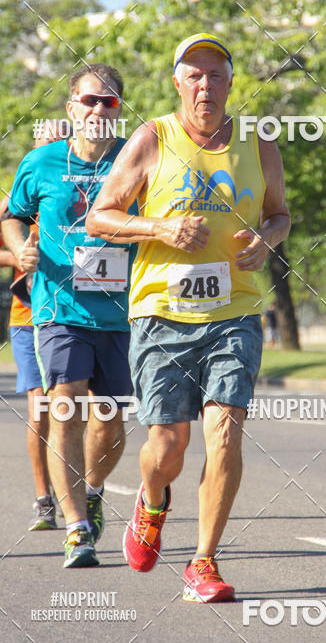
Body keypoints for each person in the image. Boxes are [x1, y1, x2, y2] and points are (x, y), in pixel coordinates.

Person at [86, 33, 291, 602]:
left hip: (237, 309)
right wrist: (159, 227)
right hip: (162, 313)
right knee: (168, 444)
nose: (205, 85)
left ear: (230, 82)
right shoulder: (153, 139)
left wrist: (267, 240)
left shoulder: (259, 142)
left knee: (225, 432)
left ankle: (203, 561)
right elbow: (101, 218)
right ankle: (151, 501)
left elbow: (280, 216)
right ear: (177, 81)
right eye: (194, 75)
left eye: (216, 74)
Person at [1, 64, 136, 568]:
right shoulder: (40, 162)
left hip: (122, 312)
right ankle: (77, 529)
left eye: (109, 102)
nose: (98, 109)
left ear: (119, 110)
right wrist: (20, 250)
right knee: (65, 403)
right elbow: (13, 217)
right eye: (89, 100)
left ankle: (94, 489)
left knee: (111, 419)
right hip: (59, 307)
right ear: (70, 107)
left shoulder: (136, 158)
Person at [0, 128, 65, 532]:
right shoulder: (18, 195)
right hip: (28, 316)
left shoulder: (84, 186)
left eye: (61, 142)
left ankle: (84, 491)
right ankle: (44, 499)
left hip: (75, 312)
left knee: (78, 410)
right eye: (47, 144)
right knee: (40, 409)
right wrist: (20, 254)